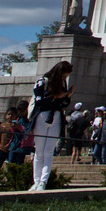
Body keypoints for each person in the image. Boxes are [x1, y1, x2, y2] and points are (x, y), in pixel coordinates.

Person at [27, 60, 72, 191]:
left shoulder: (62, 84)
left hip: (56, 117)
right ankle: (36, 181)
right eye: (64, 76)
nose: (65, 79)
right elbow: (39, 100)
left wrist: (66, 96)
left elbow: (63, 103)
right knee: (39, 151)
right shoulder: (43, 81)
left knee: (49, 151)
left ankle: (43, 182)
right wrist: (56, 96)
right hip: (42, 116)